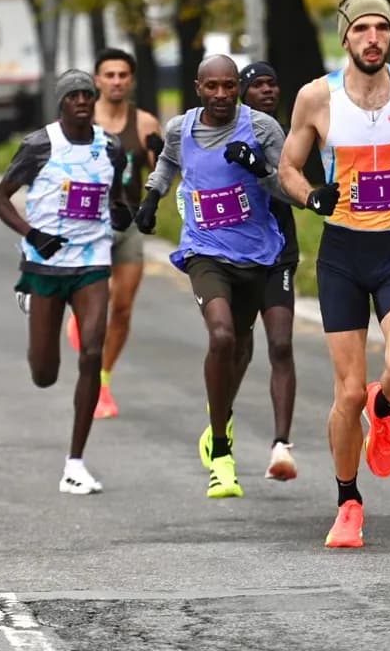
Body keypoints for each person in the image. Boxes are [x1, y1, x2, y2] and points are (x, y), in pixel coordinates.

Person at [277, 0, 390, 548]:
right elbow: (287, 166)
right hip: (344, 258)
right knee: (346, 393)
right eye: (361, 30)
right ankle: (348, 500)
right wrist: (311, 197)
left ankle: (385, 408)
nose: (372, 39)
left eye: (381, 28)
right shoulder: (317, 98)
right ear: (345, 37)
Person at [135, 55, 289, 499]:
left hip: (258, 253)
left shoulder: (262, 129)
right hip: (205, 252)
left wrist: (260, 170)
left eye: (229, 86)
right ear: (198, 88)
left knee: (241, 344)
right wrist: (152, 195)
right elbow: (167, 160)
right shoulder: (181, 128)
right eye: (212, 87)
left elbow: (288, 186)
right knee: (221, 337)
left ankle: (218, 410)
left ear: (236, 89)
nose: (221, 95)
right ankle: (221, 452)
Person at [0, 69, 131, 495]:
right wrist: (33, 234)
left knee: (91, 353)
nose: (83, 102)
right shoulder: (39, 145)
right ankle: (32, 302)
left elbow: (118, 198)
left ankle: (75, 463)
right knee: (44, 374)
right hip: (45, 265)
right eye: (74, 96)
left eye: (88, 95)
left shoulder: (110, 147)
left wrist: (124, 212)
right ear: (62, 103)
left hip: (92, 262)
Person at [221, 60, 315, 481]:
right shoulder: (223, 132)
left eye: (272, 83)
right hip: (236, 253)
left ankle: (281, 443)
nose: (266, 90)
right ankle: (220, 415)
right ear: (241, 92)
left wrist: (261, 168)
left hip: (278, 252)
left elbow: (299, 191)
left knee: (280, 344)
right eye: (256, 84)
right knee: (238, 344)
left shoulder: (293, 134)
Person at [82, 47, 163, 420]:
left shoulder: (144, 122)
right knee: (97, 305)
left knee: (124, 307)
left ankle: (102, 377)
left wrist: (159, 159)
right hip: (88, 223)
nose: (116, 81)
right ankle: (89, 361)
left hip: (128, 222)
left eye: (122, 75)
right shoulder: (81, 119)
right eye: (109, 75)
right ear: (97, 80)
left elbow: (162, 173)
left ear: (131, 80)